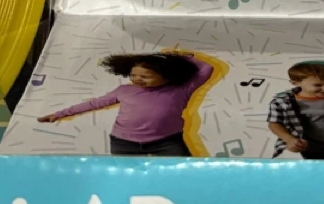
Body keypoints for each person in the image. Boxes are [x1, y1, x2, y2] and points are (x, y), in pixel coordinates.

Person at [38, 51, 214, 157]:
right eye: (133, 75)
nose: (137, 79)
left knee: (182, 173)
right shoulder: (124, 90)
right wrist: (59, 114)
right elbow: (94, 104)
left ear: (167, 76)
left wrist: (182, 57)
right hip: (124, 142)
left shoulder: (180, 89)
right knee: (126, 177)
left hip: (166, 142)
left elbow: (207, 68)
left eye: (145, 76)